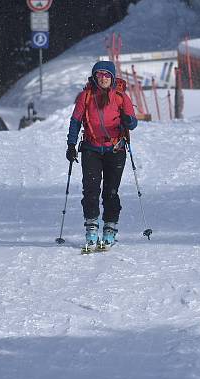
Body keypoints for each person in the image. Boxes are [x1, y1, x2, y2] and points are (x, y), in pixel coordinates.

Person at [66, 61, 138, 248]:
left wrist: (127, 120)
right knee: (91, 190)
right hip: (91, 149)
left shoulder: (121, 97)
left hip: (115, 150)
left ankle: (109, 228)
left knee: (111, 191)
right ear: (95, 77)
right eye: (100, 75)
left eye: (107, 75)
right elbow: (75, 121)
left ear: (112, 77)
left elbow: (132, 124)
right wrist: (71, 144)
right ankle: (91, 228)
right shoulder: (86, 96)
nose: (103, 78)